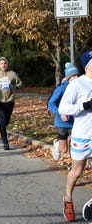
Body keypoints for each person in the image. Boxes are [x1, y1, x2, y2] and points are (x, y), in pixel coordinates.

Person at [58, 50, 92, 222]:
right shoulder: (77, 85)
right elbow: (63, 108)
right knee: (77, 171)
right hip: (82, 136)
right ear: (87, 65)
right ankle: (68, 198)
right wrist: (84, 105)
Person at [0, 57, 22, 150]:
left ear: (7, 64)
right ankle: (5, 142)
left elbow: (20, 83)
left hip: (10, 100)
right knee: (3, 122)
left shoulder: (12, 74)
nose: (3, 65)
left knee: (6, 121)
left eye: (5, 63)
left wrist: (16, 87)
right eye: (1, 63)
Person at [48, 62, 79, 161]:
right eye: (73, 76)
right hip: (62, 122)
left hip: (75, 122)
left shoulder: (79, 87)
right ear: (68, 77)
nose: (76, 78)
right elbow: (51, 104)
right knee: (64, 149)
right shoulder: (61, 88)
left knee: (74, 146)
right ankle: (57, 143)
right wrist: (61, 113)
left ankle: (72, 164)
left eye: (77, 75)